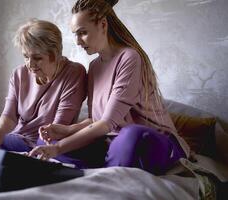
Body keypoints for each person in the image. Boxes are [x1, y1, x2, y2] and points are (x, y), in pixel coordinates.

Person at [28, 0, 190, 175]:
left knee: (130, 135)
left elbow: (107, 123)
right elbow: (96, 121)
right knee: (44, 143)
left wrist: (59, 148)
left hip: (153, 142)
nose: (77, 41)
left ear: (103, 25)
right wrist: (67, 131)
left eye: (82, 33)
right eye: (75, 34)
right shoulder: (94, 67)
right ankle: (109, 165)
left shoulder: (130, 58)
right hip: (113, 141)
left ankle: (107, 171)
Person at [0, 19, 87, 152]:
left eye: (37, 58)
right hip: (14, 133)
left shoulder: (74, 73)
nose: (30, 64)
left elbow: (58, 127)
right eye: (25, 56)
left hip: (37, 141)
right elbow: (9, 116)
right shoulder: (19, 74)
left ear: (55, 54)